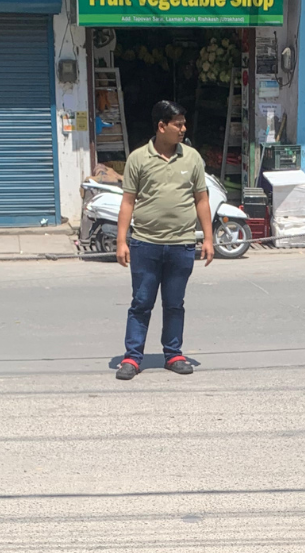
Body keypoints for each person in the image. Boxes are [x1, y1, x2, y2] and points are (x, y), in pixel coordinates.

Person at [114, 100, 213, 381]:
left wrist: (208, 238)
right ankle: (132, 358)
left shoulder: (192, 158)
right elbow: (128, 202)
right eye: (177, 124)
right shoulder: (138, 159)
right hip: (146, 243)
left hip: (182, 244)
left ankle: (174, 354)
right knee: (141, 302)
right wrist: (122, 241)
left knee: (174, 303)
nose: (183, 128)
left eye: (183, 123)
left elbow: (202, 199)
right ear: (161, 126)